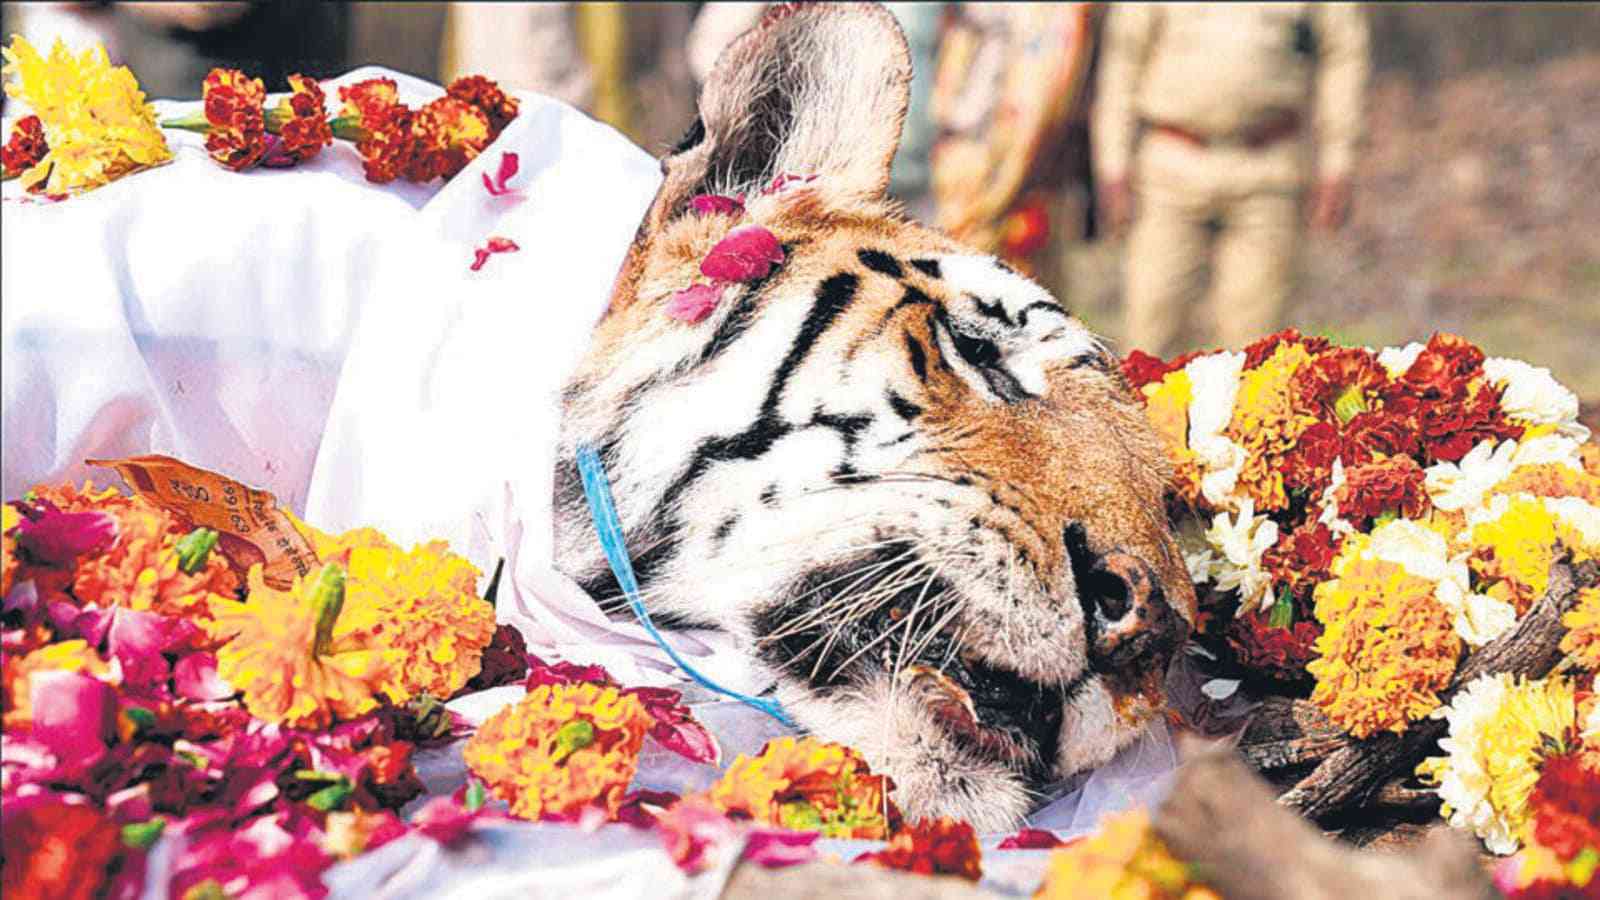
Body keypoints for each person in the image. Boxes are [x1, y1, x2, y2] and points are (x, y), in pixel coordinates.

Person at [1093, 3, 1369, 358]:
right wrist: (1112, 163)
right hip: (1170, 166)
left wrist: (1338, 161)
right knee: (1149, 336)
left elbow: (1343, 53)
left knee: (1257, 350)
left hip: (1268, 169)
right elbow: (1123, 59)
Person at [928, 4, 1098, 298]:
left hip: (1028, 170)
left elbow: (1048, 95)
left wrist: (1018, 175)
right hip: (965, 153)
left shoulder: (1059, 15)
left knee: (1023, 294)